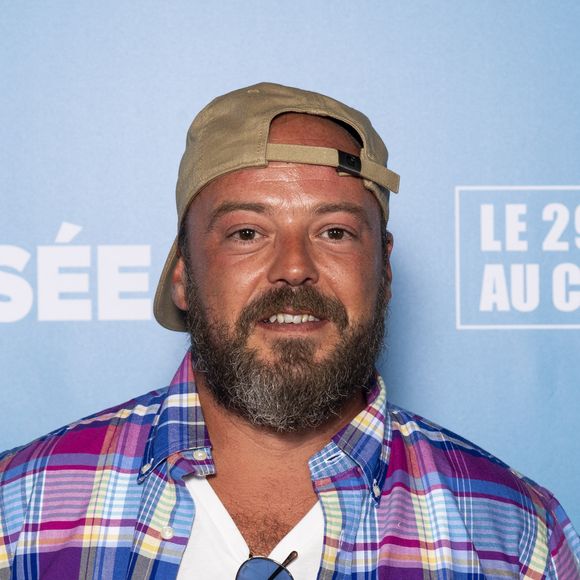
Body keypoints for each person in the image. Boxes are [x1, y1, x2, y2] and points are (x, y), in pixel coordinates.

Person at [1, 82, 578, 580]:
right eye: (247, 233)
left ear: (384, 269)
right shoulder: (23, 507)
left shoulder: (513, 534)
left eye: (335, 232)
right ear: (183, 275)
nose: (295, 266)